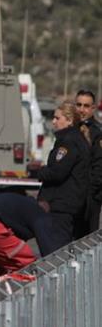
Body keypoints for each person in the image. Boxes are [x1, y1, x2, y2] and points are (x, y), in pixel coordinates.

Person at [0, 193, 63, 277]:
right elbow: (49, 249)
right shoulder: (38, 213)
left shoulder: (18, 205)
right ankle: (31, 294)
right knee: (26, 260)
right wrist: (58, 269)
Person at [37, 101, 90, 248]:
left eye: (57, 118)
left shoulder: (69, 142)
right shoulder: (73, 139)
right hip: (67, 204)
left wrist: (38, 172)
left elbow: (58, 172)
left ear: (69, 120)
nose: (53, 122)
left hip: (62, 206)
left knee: (57, 251)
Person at [75, 89, 102, 236]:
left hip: (90, 197)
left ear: (93, 109)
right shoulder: (71, 128)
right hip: (72, 196)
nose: (81, 110)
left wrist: (90, 195)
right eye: (79, 105)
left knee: (86, 240)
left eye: (86, 106)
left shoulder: (97, 133)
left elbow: (99, 167)